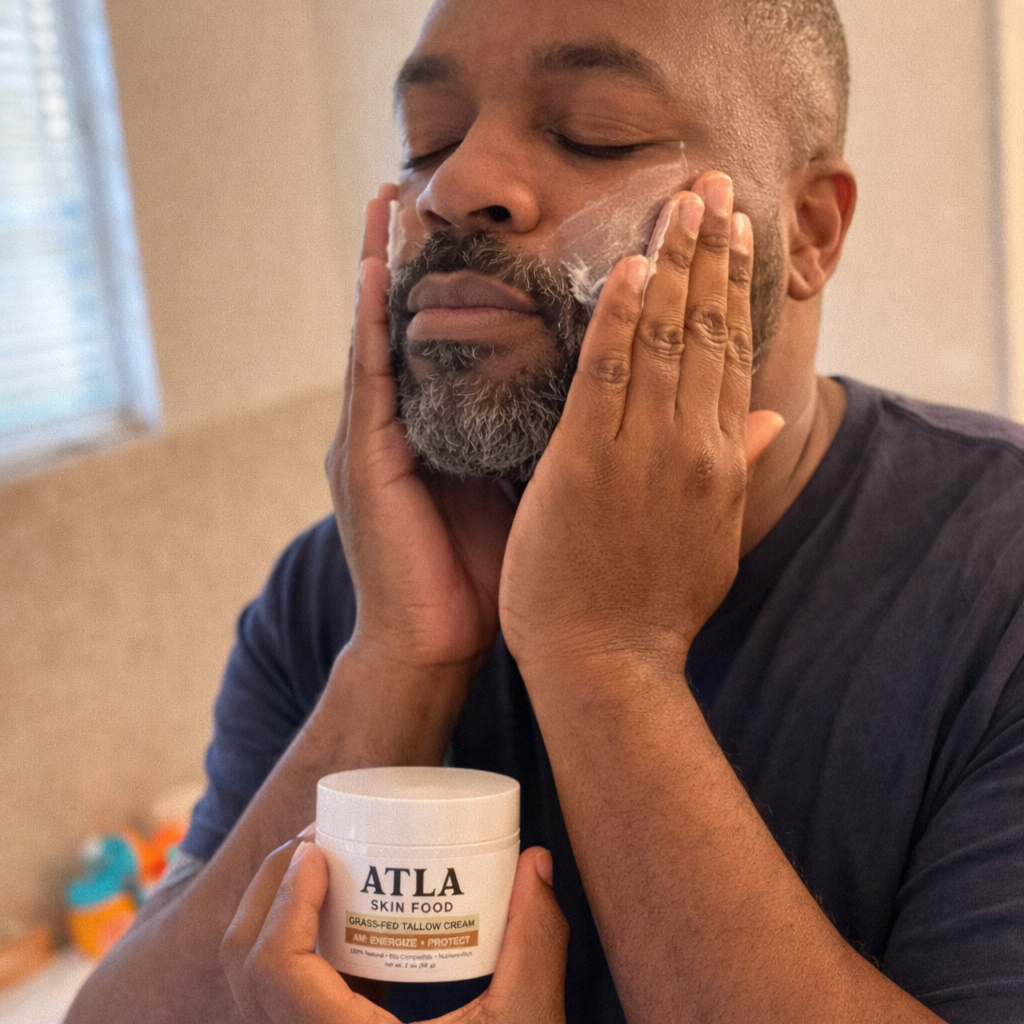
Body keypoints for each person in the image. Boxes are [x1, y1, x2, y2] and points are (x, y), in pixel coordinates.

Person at [65, 0, 1024, 1022]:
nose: (453, 185)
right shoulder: (334, 591)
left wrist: (605, 657)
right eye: (425, 139)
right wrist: (400, 659)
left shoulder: (994, 580)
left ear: (809, 232)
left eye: (592, 131)